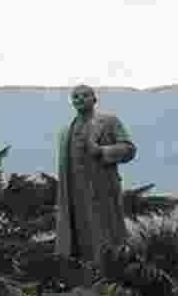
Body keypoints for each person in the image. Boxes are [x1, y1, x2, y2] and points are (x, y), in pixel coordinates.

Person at [55, 84, 136, 273]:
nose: (80, 99)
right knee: (78, 236)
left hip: (102, 190)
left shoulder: (108, 122)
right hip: (73, 193)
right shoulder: (65, 131)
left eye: (84, 95)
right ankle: (84, 274)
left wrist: (103, 151)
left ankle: (111, 271)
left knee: (107, 234)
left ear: (94, 99)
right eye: (75, 97)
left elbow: (129, 150)